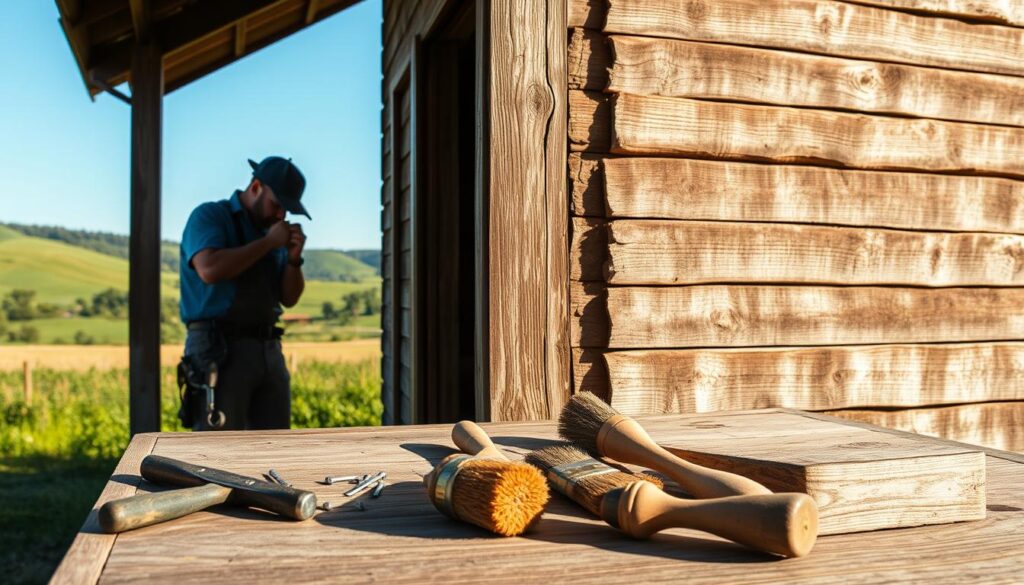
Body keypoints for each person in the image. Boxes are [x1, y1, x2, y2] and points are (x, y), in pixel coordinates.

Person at [177, 156, 309, 430]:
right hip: (218, 348)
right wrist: (268, 243)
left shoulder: (272, 234)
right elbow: (210, 269)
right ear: (256, 187)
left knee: (274, 446)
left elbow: (289, 298)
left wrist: (294, 259)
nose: (280, 215)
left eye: (286, 210)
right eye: (277, 205)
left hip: (268, 348)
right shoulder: (210, 216)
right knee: (218, 452)